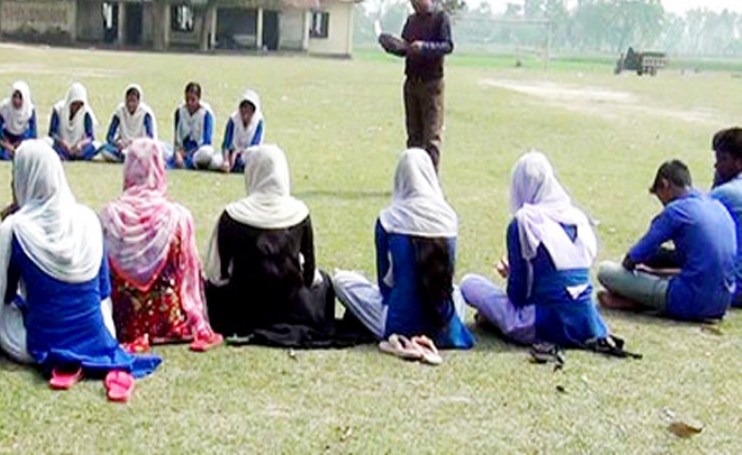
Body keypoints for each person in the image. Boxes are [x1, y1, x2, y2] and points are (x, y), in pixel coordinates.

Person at [0, 140, 161, 398]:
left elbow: (5, 296)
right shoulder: (88, 219)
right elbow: (103, 291)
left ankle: (66, 360)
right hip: (98, 336)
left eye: (15, 176)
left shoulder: (16, 228)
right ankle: (93, 357)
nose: (12, 185)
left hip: (39, 345)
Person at [461, 152, 609, 347]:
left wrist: (513, 272)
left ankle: (493, 319)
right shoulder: (578, 218)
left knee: (469, 283)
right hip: (587, 324)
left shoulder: (524, 222)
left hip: (543, 324)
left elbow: (518, 296)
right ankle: (491, 318)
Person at [333, 149, 474, 350]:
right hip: (444, 323)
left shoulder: (389, 220)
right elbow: (446, 281)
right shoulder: (449, 219)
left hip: (398, 324)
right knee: (456, 292)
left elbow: (385, 288)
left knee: (342, 280)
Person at [100, 138, 222, 351]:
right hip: (168, 319)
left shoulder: (109, 217)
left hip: (123, 319)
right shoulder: (177, 217)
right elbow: (189, 278)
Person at [204, 144, 335, 339]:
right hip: (291, 305)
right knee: (325, 284)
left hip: (241, 309)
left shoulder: (233, 215)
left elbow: (217, 275)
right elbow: (309, 276)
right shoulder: (299, 213)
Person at [598, 160, 737, 321]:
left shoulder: (675, 211)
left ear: (665, 185)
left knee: (606, 271)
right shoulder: (716, 206)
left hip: (689, 301)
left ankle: (643, 301)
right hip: (721, 303)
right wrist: (656, 272)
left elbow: (632, 259)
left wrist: (642, 272)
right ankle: (645, 299)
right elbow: (705, 267)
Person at [378, 0, 453, 169]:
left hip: (431, 85)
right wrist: (391, 45)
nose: (414, 2)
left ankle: (431, 185)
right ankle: (413, 181)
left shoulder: (440, 18)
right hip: (412, 84)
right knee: (414, 138)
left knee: (431, 138)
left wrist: (425, 47)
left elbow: (447, 45)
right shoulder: (412, 21)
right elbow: (406, 47)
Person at [710, 128, 742, 307]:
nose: (716, 166)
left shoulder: (725, 193)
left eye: (722, 160)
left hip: (733, 286)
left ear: (738, 162)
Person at [101, 84, 158, 163]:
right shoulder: (120, 111)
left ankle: (129, 158)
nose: (130, 104)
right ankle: (130, 158)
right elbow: (109, 136)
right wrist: (117, 144)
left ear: (138, 101)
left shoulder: (145, 114)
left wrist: (134, 143)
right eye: (128, 101)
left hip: (139, 146)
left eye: (133, 101)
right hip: (122, 147)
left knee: (148, 152)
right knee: (104, 150)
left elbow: (150, 137)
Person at [48, 83, 100, 161]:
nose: (77, 108)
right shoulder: (58, 109)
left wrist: (80, 144)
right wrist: (63, 142)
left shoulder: (86, 113)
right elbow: (52, 133)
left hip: (78, 147)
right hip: (61, 145)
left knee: (96, 145)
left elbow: (90, 137)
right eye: (75, 104)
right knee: (47, 142)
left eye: (80, 105)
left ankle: (75, 155)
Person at [216, 90, 264, 173]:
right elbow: (227, 142)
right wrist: (226, 160)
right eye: (243, 107)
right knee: (214, 161)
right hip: (231, 154)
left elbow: (255, 145)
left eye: (249, 109)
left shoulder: (258, 122)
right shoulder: (233, 120)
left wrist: (239, 152)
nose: (245, 111)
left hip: (249, 155)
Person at [172, 82, 216, 170]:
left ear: (198, 99)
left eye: (193, 100)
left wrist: (188, 154)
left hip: (198, 151)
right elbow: (177, 138)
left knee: (207, 153)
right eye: (187, 99)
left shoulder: (206, 113)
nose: (189, 103)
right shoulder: (180, 112)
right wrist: (178, 151)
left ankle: (189, 163)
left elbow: (207, 141)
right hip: (183, 149)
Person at [0, 81, 37, 161]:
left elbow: (33, 134)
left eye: (20, 97)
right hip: (6, 140)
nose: (16, 101)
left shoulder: (29, 110)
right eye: (14, 96)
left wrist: (19, 143)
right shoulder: (4, 108)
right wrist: (6, 144)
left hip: (23, 140)